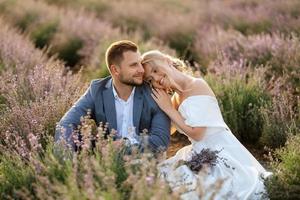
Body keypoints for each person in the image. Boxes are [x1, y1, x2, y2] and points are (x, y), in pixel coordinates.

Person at [141, 50, 271, 199]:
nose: (156, 78)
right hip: (199, 153)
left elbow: (198, 133)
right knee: (164, 177)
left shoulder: (196, 85)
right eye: (150, 80)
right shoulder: (175, 98)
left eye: (156, 70)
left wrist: (169, 109)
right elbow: (169, 130)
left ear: (168, 61)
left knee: (217, 190)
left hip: (222, 152)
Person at [55, 41, 170, 153]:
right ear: (115, 70)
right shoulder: (97, 90)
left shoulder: (154, 93)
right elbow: (65, 124)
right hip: (109, 162)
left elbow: (160, 141)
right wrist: (65, 163)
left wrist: (125, 145)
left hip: (145, 163)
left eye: (140, 63)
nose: (141, 70)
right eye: (134, 65)